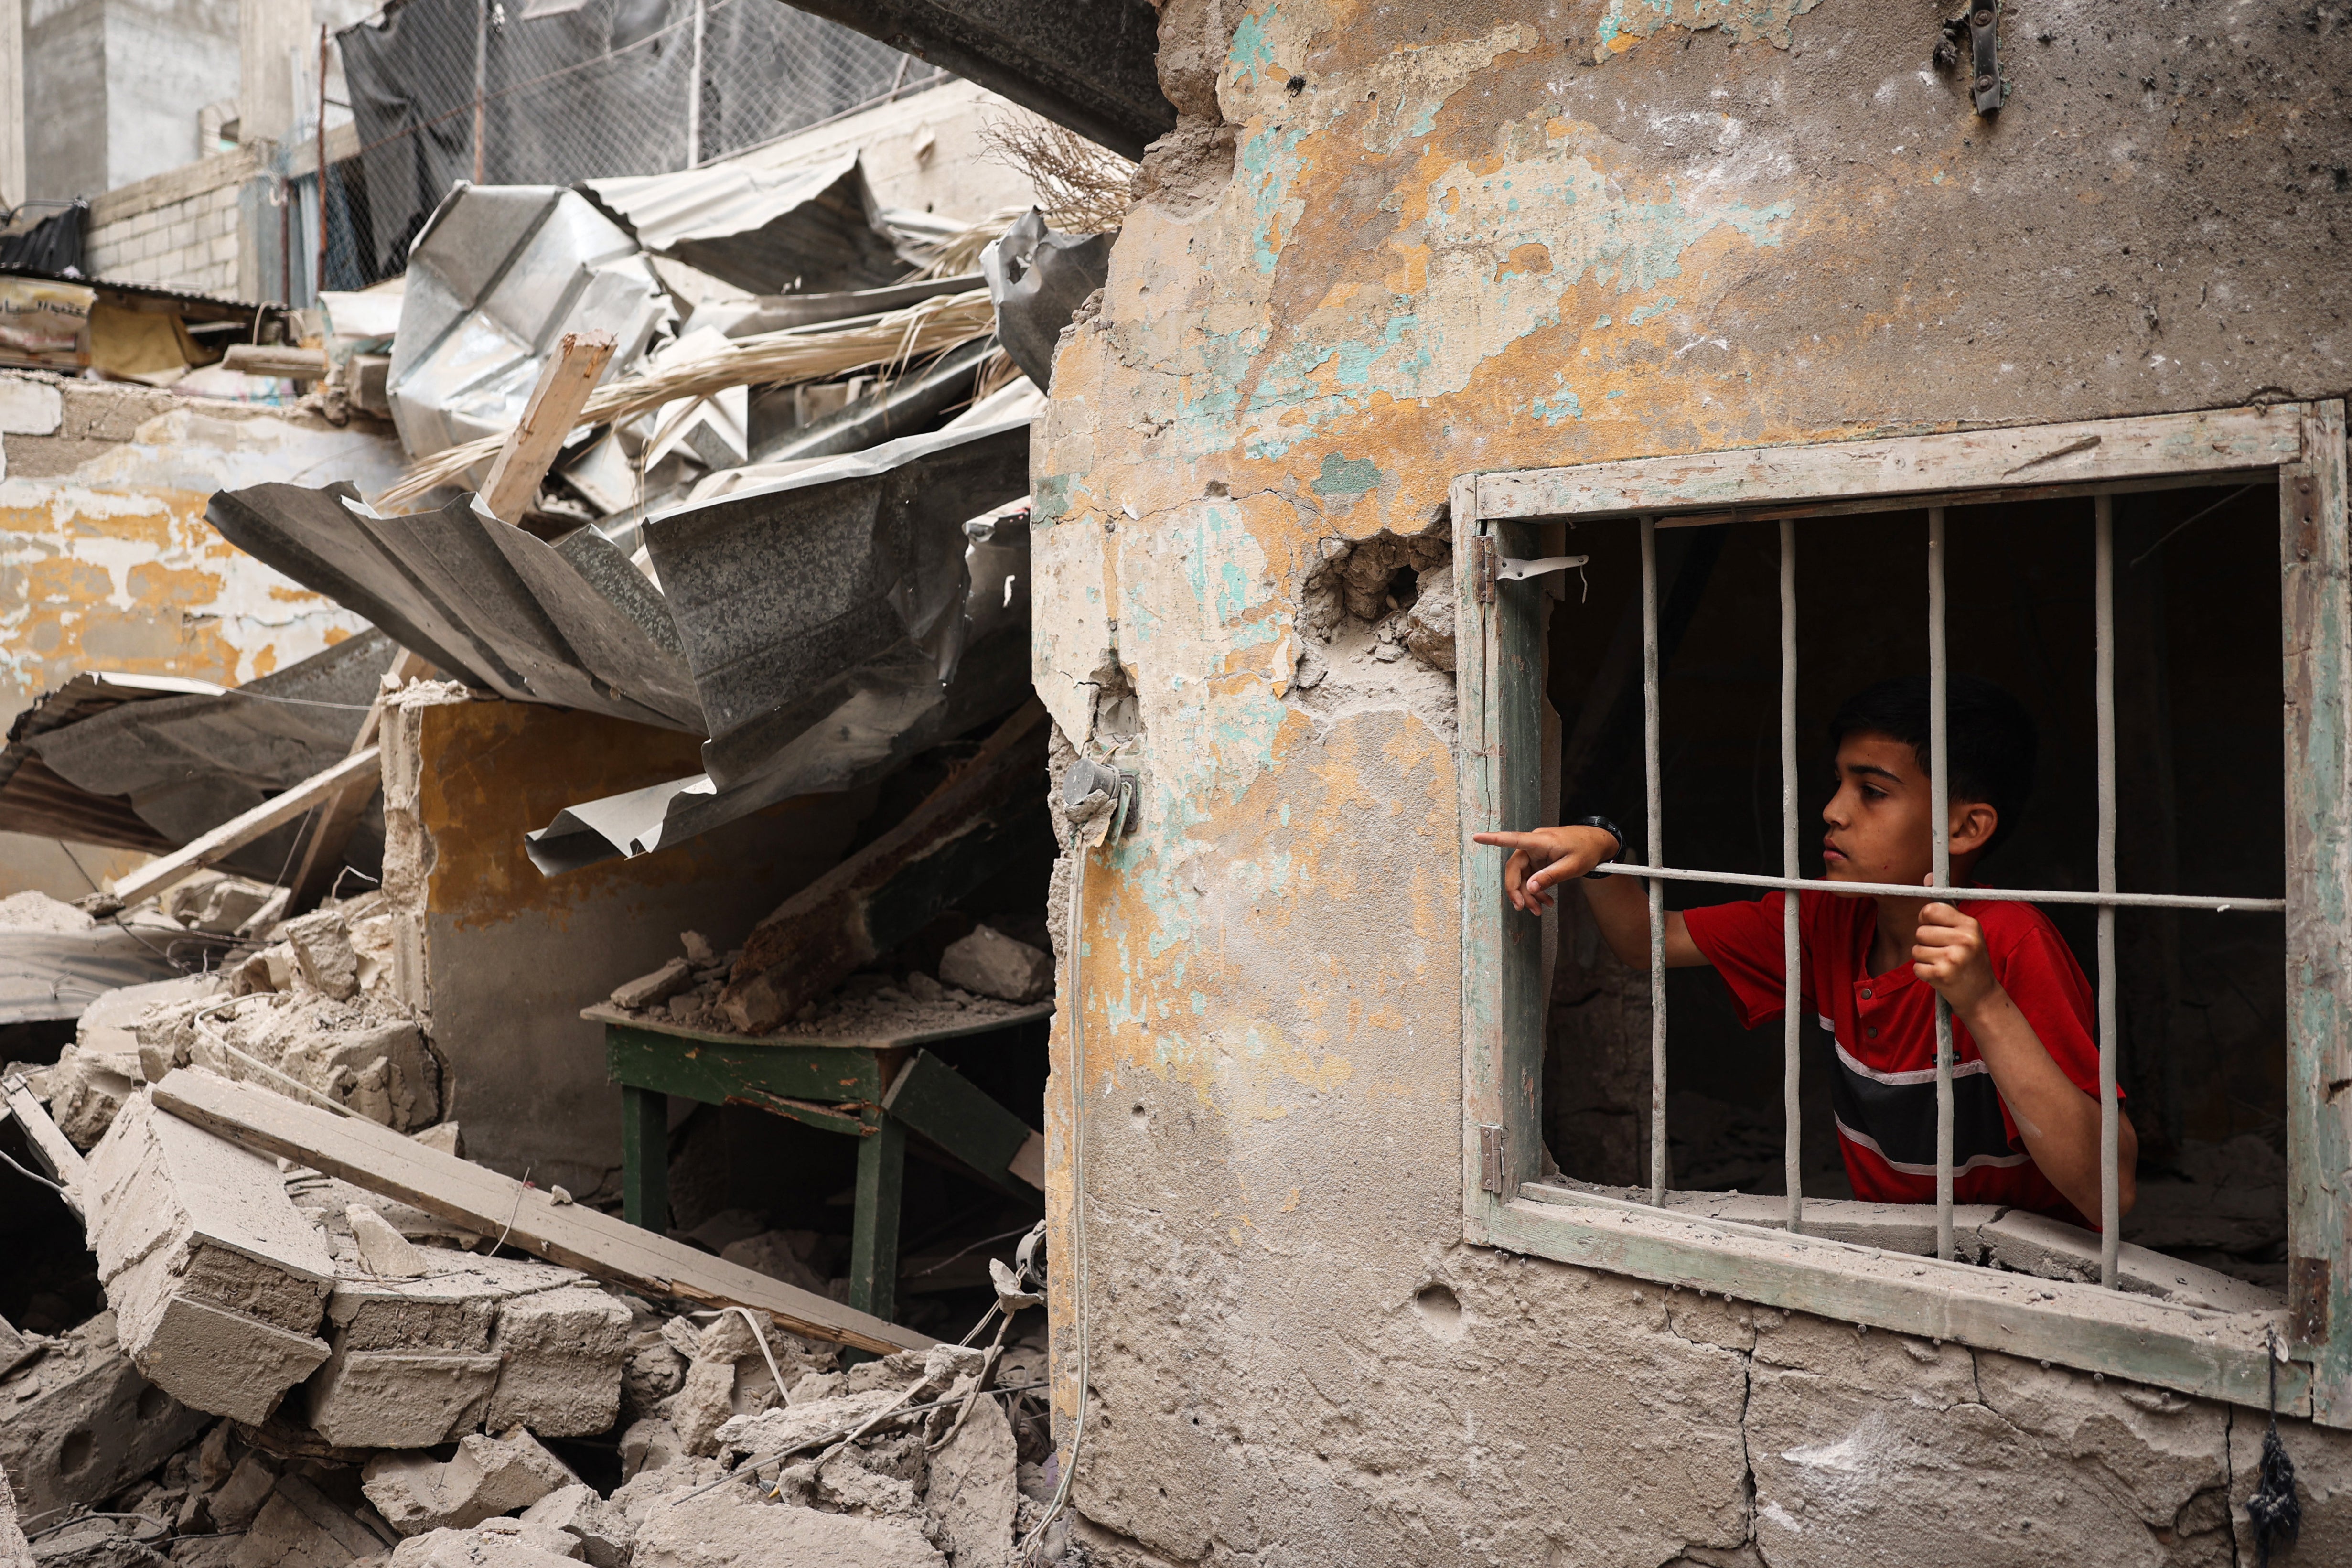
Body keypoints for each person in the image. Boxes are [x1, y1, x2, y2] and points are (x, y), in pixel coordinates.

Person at [1474, 674, 2134, 1227]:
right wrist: (1597, 846)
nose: (1833, 810)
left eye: (1872, 791)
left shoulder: (2014, 941)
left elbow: (2111, 1190)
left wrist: (1984, 1001)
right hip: (1899, 1258)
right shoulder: (1830, 914)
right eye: (1840, 782)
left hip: (2033, 1269)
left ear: (1966, 827)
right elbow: (1649, 939)